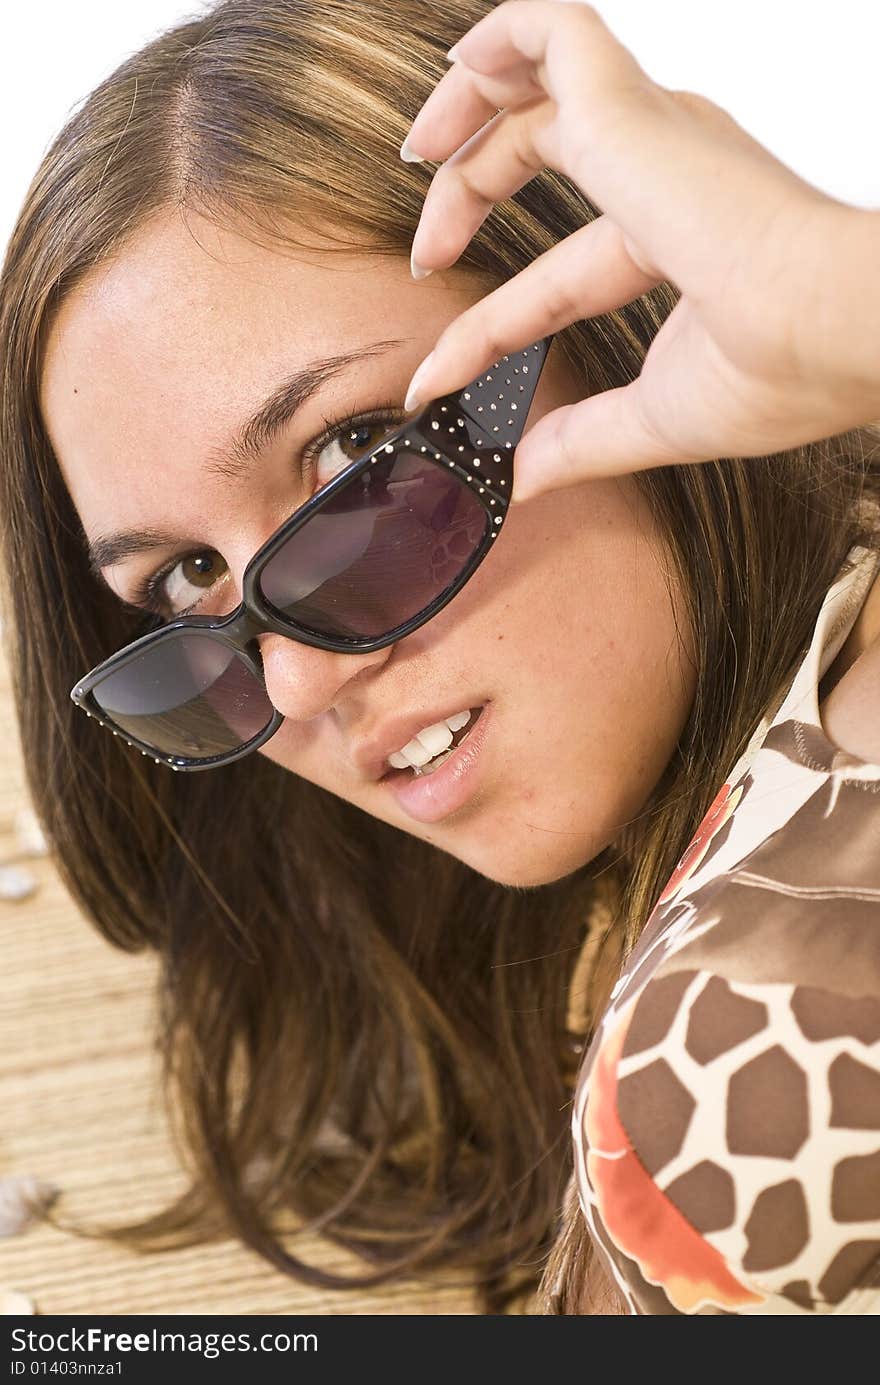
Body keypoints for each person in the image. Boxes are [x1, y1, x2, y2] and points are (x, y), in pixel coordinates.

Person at [0, 0, 877, 1315]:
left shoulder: (746, 1052)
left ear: (612, 317)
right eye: (185, 579)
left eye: (358, 460)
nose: (296, 684)